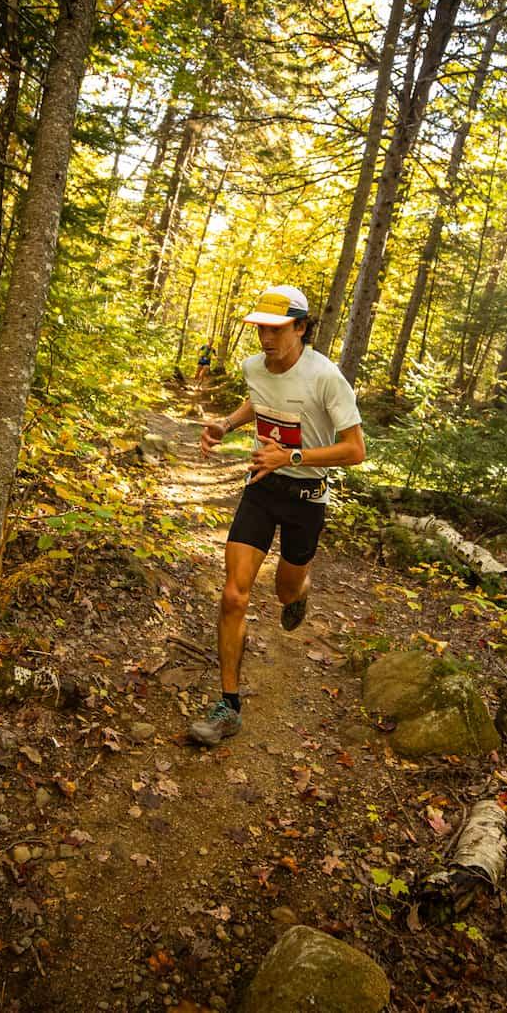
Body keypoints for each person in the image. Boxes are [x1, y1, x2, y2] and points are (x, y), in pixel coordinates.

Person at [189, 285, 365, 746]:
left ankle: (300, 590)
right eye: (260, 329)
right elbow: (260, 401)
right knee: (233, 595)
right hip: (262, 487)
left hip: (306, 495)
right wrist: (225, 424)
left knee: (285, 590)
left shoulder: (326, 377)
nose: (266, 338)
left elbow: (355, 450)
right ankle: (228, 706)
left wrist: (291, 457)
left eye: (276, 329)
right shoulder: (252, 367)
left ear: (301, 327)